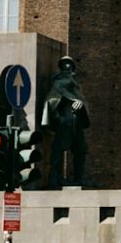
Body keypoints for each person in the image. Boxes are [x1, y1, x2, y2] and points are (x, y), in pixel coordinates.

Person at [41, 56, 90, 188]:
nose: (67, 67)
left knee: (80, 150)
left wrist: (80, 103)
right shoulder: (58, 84)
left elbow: (83, 101)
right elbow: (50, 101)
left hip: (77, 122)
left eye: (69, 64)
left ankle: (78, 179)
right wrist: (58, 116)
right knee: (58, 150)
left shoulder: (76, 87)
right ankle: (54, 178)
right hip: (64, 120)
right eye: (65, 64)